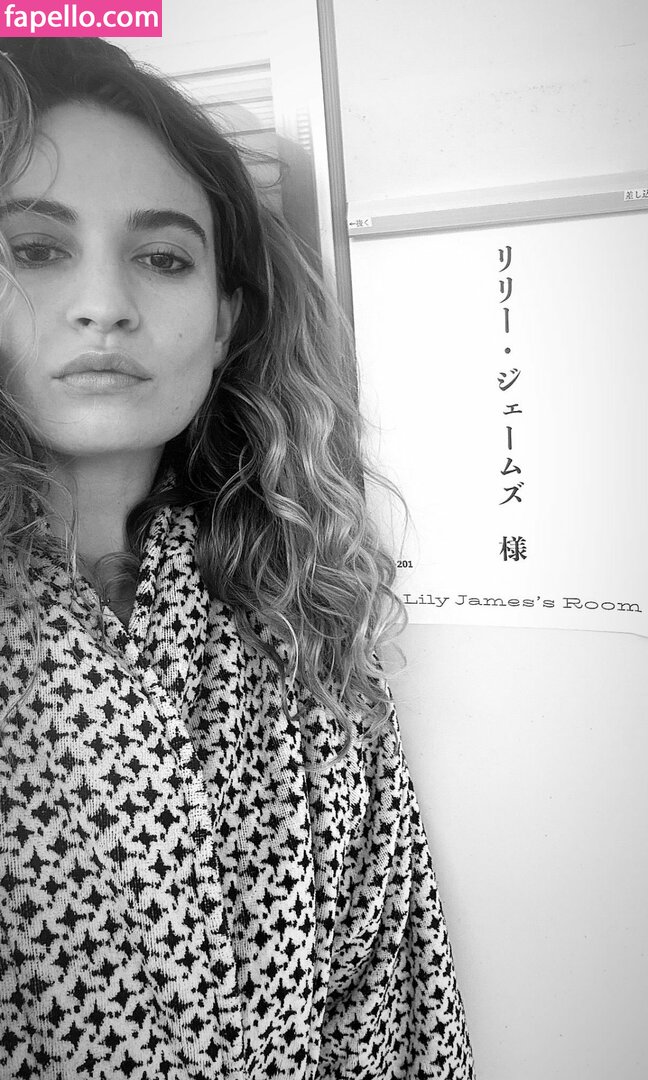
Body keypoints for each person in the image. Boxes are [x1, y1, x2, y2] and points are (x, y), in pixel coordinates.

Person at [0, 38, 474, 1080]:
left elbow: (392, 1006)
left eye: (164, 258)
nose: (104, 304)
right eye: (35, 248)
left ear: (225, 322)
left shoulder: (300, 627)